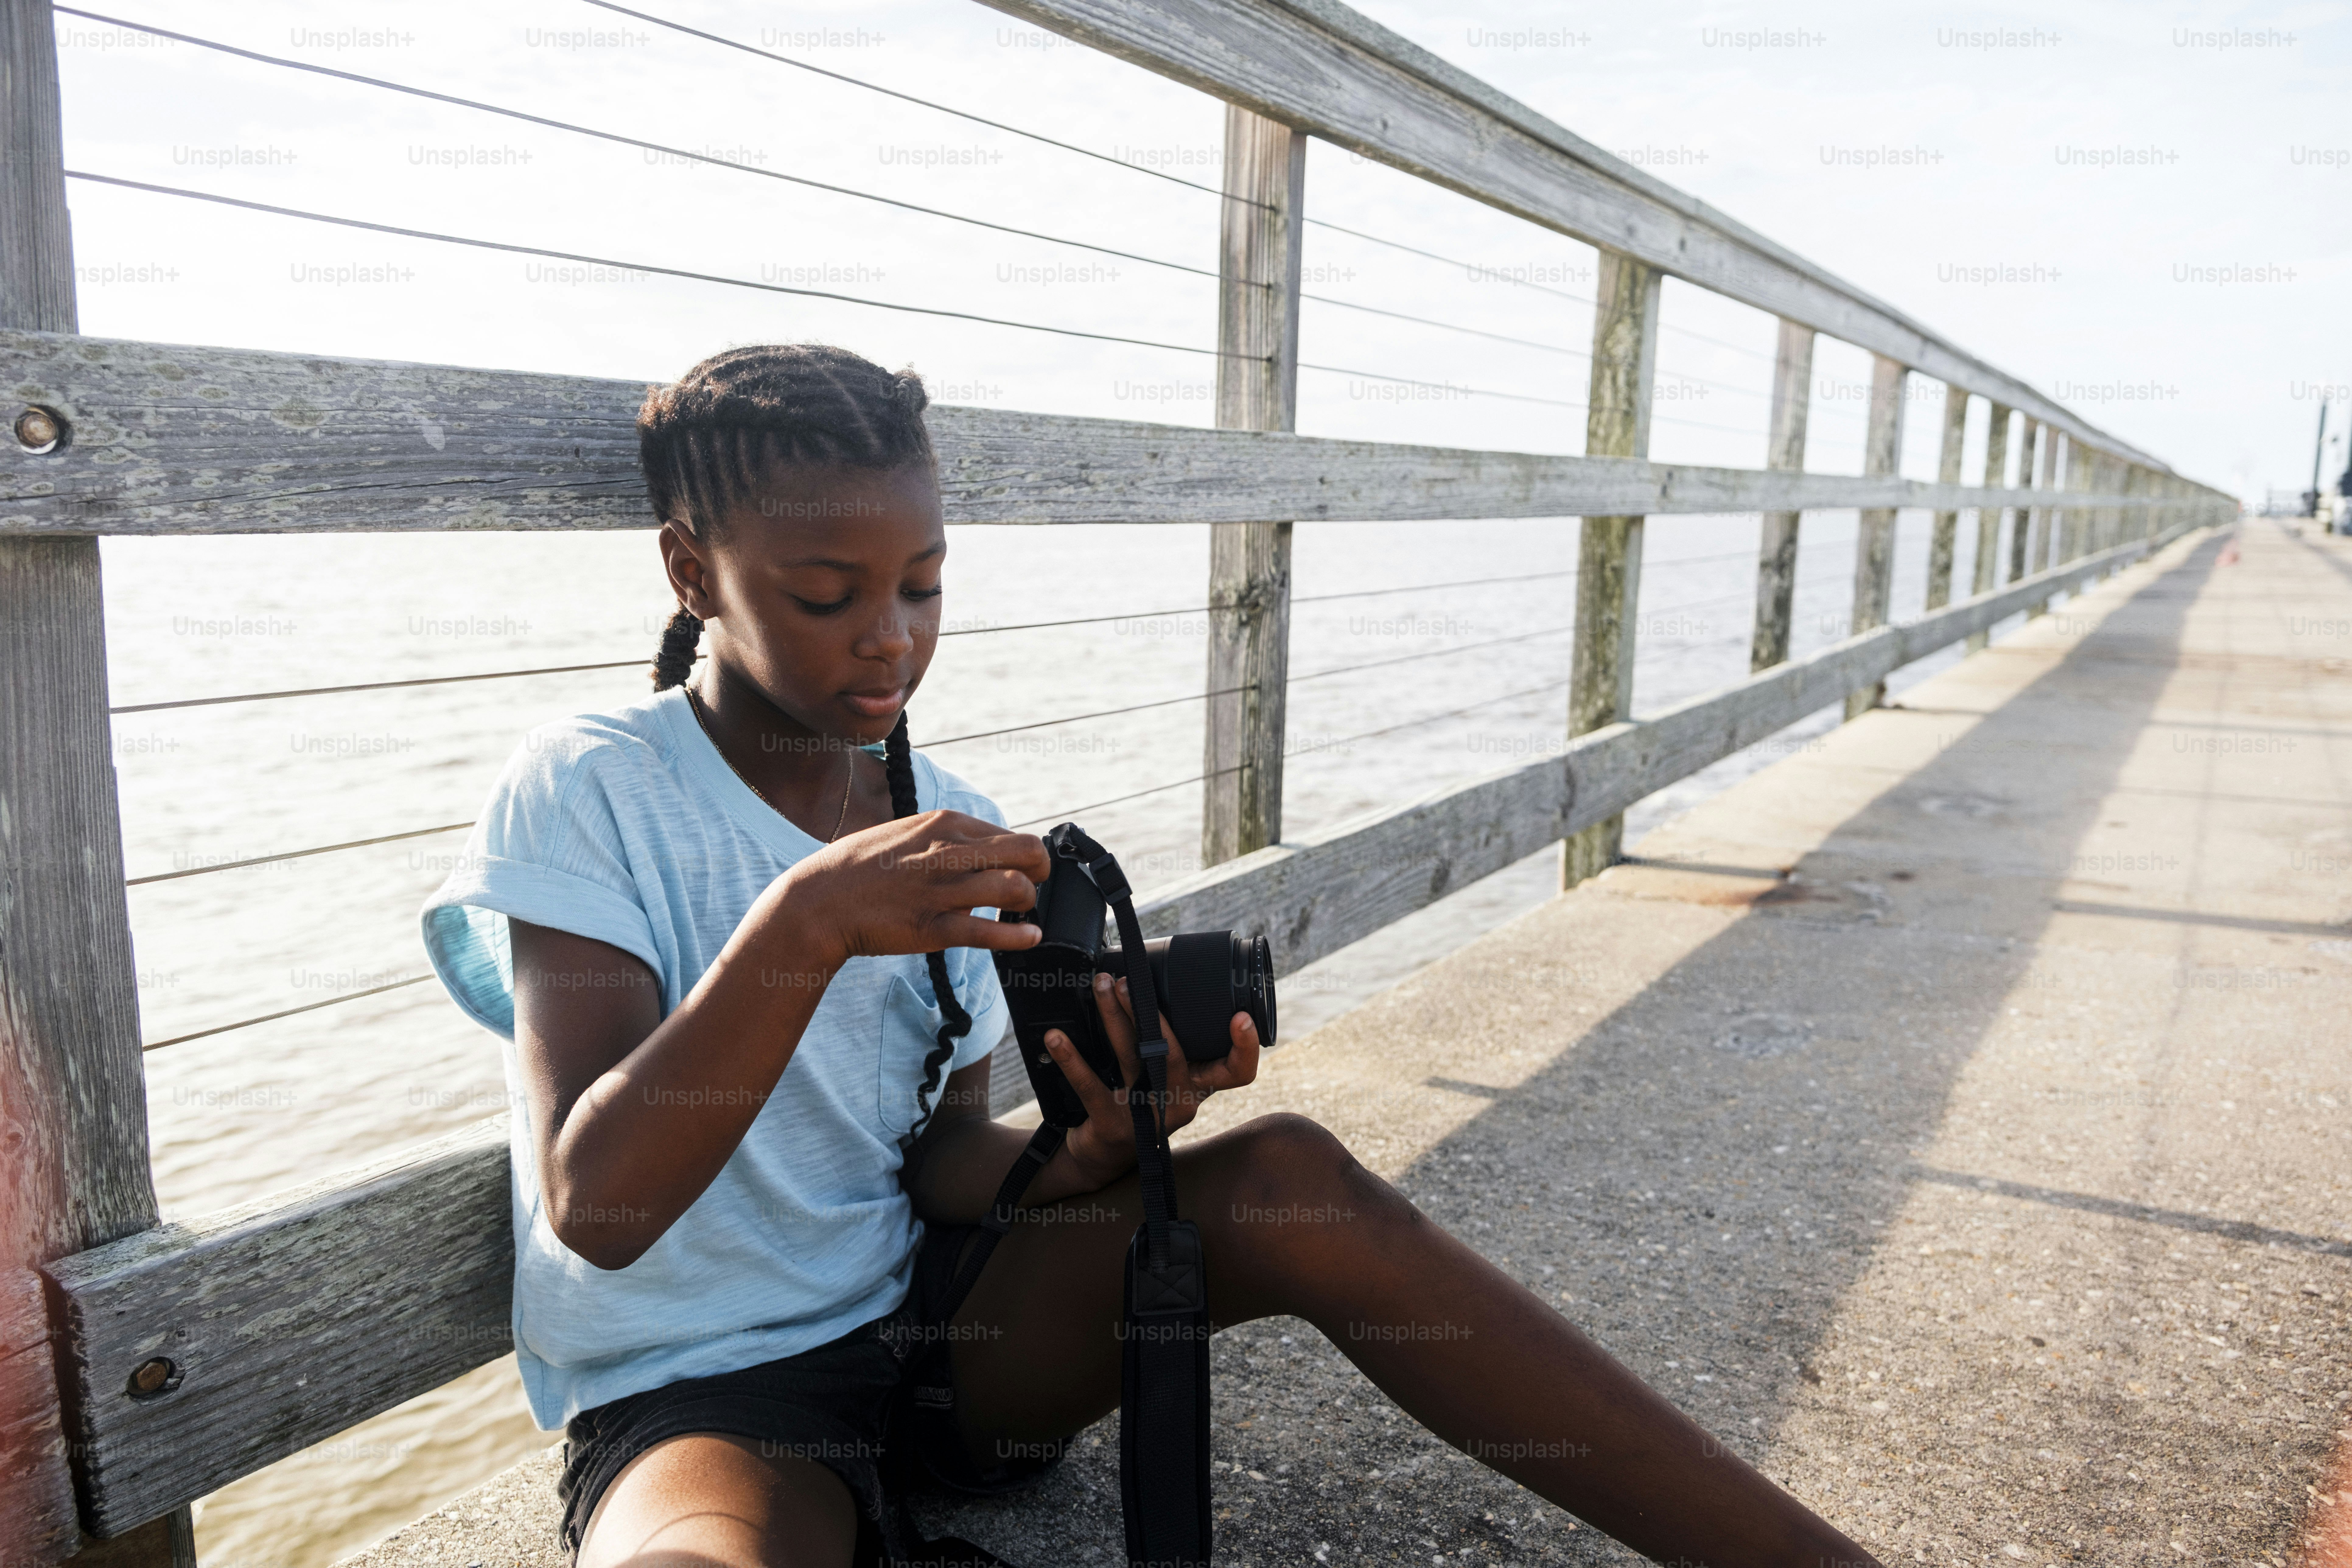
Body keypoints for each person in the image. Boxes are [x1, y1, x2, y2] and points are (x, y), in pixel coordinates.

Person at [420, 343, 1885, 1568]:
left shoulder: (954, 820)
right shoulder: (590, 786)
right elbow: (597, 1205)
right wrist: (803, 924)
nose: (891, 640)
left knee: (1297, 1178)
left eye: (924, 585)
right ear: (693, 571)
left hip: (946, 1340)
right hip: (703, 1397)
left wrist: (1088, 1154)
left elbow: (927, 1150)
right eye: (826, 595)